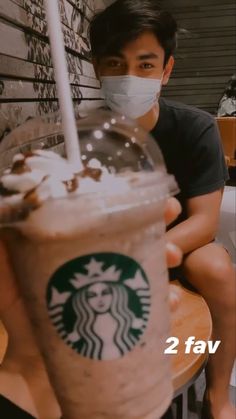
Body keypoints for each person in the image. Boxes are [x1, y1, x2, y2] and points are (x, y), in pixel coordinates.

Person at [89, 1, 236, 419]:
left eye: (145, 64)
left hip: (183, 247)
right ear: (98, 68)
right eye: (115, 63)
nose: (129, 77)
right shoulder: (86, 134)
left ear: (166, 71)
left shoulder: (196, 128)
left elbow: (204, 222)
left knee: (218, 269)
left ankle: (218, 395)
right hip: (113, 248)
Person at [0, 194, 182, 419]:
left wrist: (30, 361)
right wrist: (31, 360)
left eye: (105, 291)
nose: (99, 299)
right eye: (91, 294)